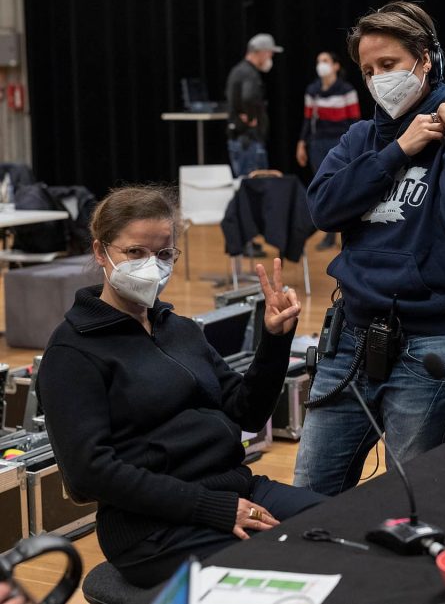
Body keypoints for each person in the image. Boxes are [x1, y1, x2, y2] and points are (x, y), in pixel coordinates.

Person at [37, 187, 324, 588]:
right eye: (135, 252)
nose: (151, 266)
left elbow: (247, 412)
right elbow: (90, 474)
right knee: (294, 569)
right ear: (101, 252)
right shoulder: (72, 352)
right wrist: (214, 508)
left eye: (164, 254)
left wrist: (274, 341)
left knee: (346, 524)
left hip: (234, 489)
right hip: (151, 530)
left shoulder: (181, 330)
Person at [295, 1, 445, 496]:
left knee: (409, 500)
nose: (377, 79)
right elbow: (323, 209)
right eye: (368, 71)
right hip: (349, 340)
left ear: (425, 59)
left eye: (388, 64)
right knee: (309, 493)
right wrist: (398, 151)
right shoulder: (360, 139)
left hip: (429, 348)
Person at [294, 51, 361, 251]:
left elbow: (355, 121)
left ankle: (347, 230)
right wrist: (301, 143)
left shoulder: (346, 90)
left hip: (339, 143)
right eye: (318, 61)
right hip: (317, 144)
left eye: (325, 61)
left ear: (335, 66)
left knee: (341, 186)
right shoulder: (312, 90)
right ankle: (329, 233)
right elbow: (308, 120)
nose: (320, 65)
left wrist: (355, 146)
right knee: (323, 187)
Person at [225, 33, 283, 177]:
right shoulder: (249, 73)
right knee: (253, 185)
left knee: (246, 184)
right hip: (248, 141)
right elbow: (248, 97)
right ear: (261, 52)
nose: (271, 57)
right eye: (270, 53)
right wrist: (251, 118)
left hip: (241, 141)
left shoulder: (239, 70)